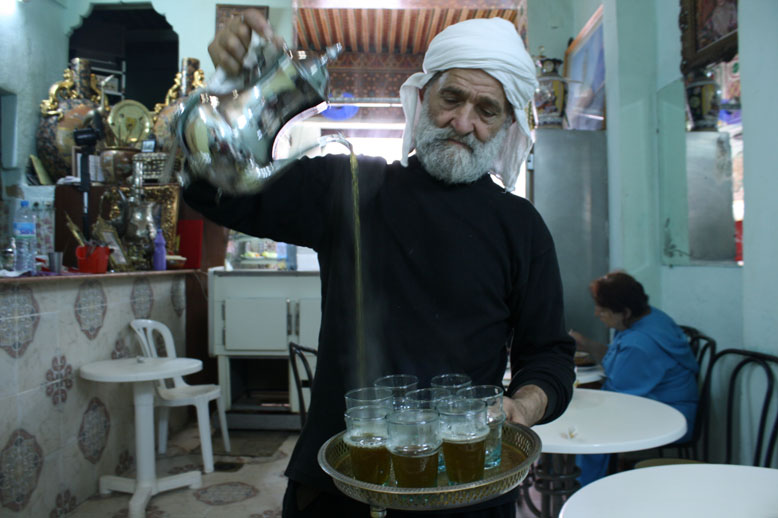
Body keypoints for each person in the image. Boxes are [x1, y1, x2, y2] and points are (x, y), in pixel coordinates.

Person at [192, 10, 575, 517]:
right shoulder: (350, 187)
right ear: (421, 99)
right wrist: (239, 89)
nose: (464, 123)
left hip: (465, 489)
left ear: (506, 127)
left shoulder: (521, 227)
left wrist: (519, 407)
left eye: (487, 110)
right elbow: (214, 191)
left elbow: (549, 355)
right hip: (341, 489)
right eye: (452, 98)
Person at [569, 271, 699, 486]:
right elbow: (617, 361)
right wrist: (587, 343)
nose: (596, 314)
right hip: (658, 404)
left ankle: (586, 489)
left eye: (603, 310)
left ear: (625, 312)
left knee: (590, 425)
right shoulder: (649, 318)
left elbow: (618, 397)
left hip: (670, 416)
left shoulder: (640, 344)